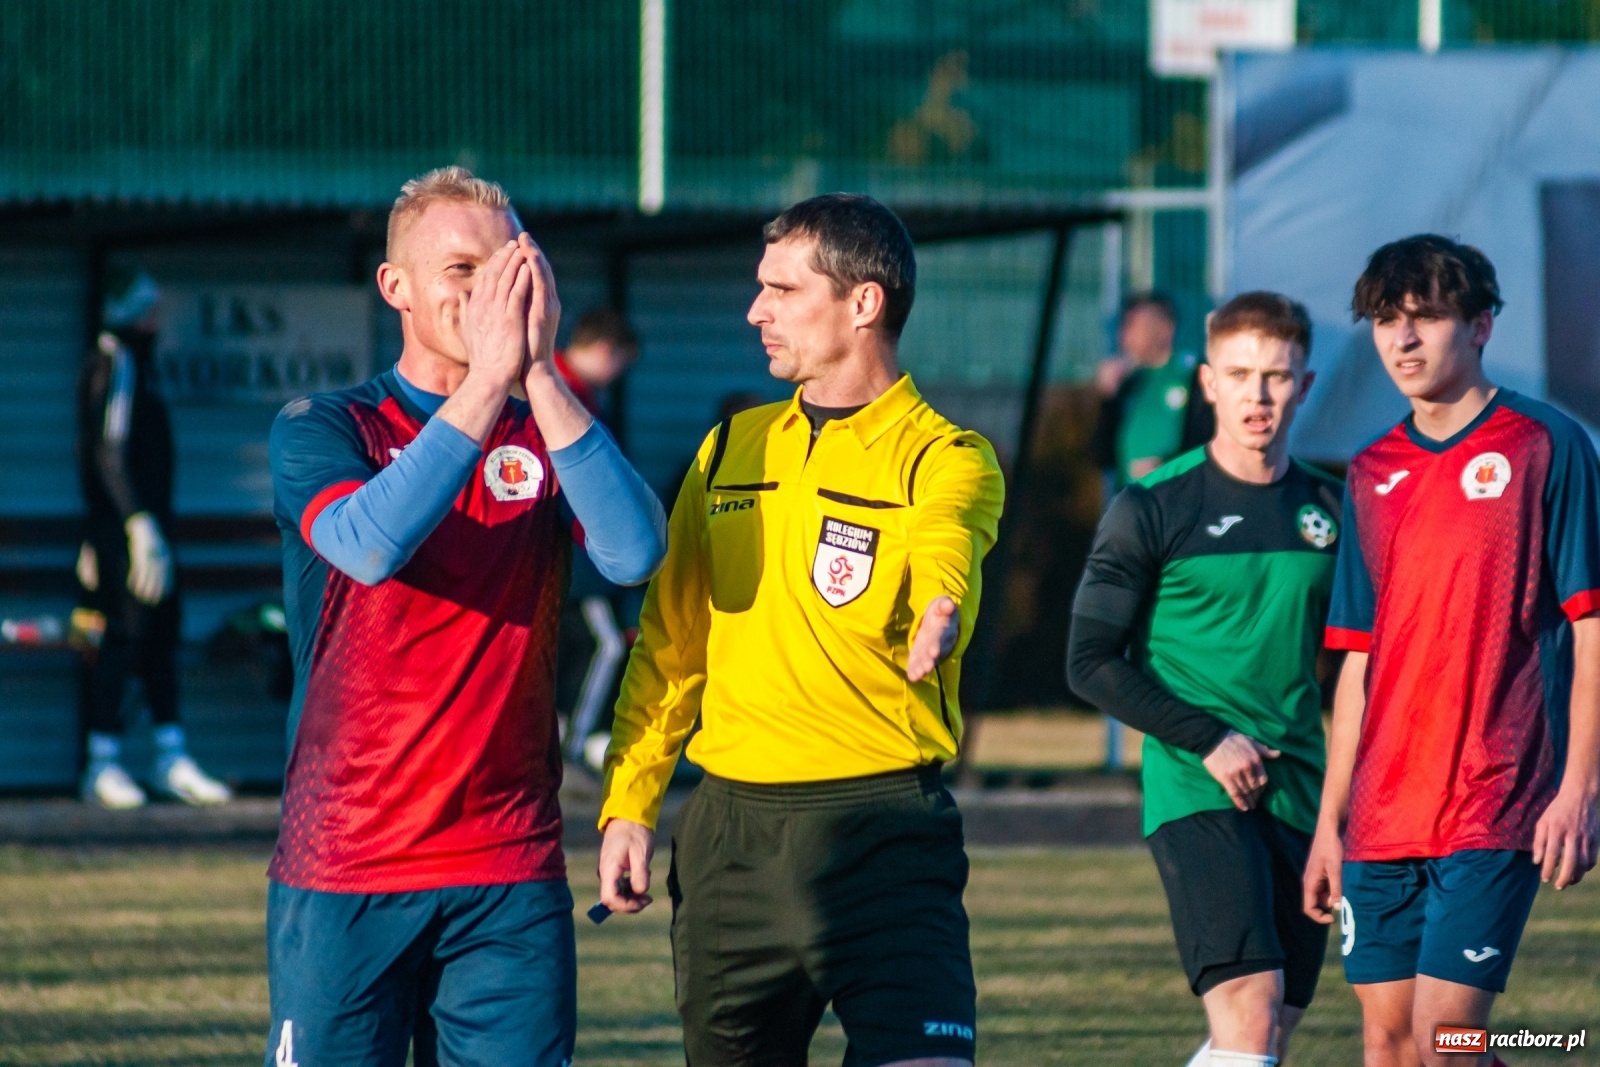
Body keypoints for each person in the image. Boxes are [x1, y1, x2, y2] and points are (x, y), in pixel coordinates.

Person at [262, 166, 666, 1066]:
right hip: (349, 863)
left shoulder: (546, 428)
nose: (490, 292)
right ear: (395, 286)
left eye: (509, 265)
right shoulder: (326, 424)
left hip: (508, 870)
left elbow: (637, 552)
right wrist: (486, 385)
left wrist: (539, 376)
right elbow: (369, 544)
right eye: (461, 270)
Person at [597, 193, 1005, 1067]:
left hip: (883, 833)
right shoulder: (728, 449)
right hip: (730, 840)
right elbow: (670, 646)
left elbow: (946, 547)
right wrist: (630, 800)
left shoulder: (945, 457)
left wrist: (943, 609)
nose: (757, 311)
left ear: (864, 303)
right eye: (761, 288)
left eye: (783, 290)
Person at [1303, 235, 1600, 1067]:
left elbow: (1591, 625)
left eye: (1425, 317)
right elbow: (1358, 662)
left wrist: (1580, 788)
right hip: (1382, 810)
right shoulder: (1371, 470)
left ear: (1480, 326)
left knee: (1447, 1039)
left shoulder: (1546, 444)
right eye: (1384, 320)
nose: (1402, 339)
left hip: (1495, 794)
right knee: (1390, 1043)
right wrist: (1329, 824)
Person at [1068, 291, 1339, 1067]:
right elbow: (1089, 661)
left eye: (1277, 376)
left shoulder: (1332, 510)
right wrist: (1210, 738)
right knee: (1251, 1009)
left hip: (1301, 790)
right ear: (1210, 383)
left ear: (1304, 385)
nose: (1259, 395)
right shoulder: (1152, 506)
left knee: (1269, 1030)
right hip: (1195, 784)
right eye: (1240, 375)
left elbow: (1364, 662)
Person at [74, 269, 232, 809]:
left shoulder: (137, 366)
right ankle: (102, 762)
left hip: (145, 531)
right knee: (123, 637)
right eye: (146, 312)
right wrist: (133, 522)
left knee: (161, 633)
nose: (155, 323)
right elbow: (106, 450)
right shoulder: (114, 361)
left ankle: (170, 754)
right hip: (129, 532)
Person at [1090, 291, 1214, 487]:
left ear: (1165, 329)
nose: (1125, 336)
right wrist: (1108, 400)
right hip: (1131, 499)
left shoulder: (1194, 376)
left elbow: (1210, 445)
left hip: (1176, 497)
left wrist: (1166, 465)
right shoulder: (1129, 383)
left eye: (1135, 326)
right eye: (1125, 326)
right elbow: (1101, 457)